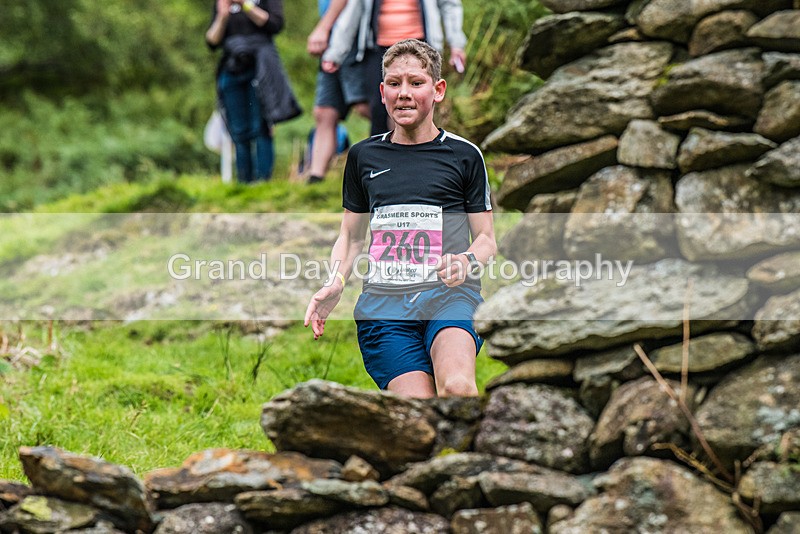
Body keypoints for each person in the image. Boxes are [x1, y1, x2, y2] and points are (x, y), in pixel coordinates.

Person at [304, 39, 496, 399]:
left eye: (415, 83)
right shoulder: (363, 157)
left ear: (437, 90)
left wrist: (465, 261)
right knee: (418, 418)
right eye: (394, 84)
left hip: (450, 296)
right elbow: (351, 236)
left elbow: (486, 239)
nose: (404, 94)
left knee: (457, 389)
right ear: (382, 91)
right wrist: (335, 282)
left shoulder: (464, 155)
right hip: (384, 307)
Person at [321, 0, 467, 137]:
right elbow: (352, 12)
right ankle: (381, 157)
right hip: (378, 49)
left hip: (420, 47)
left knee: (419, 108)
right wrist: (335, 53)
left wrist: (457, 44)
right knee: (378, 110)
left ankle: (417, 155)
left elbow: (449, 4)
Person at [205, 0, 301, 183]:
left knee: (261, 126)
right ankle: (244, 183)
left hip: (260, 66)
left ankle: (263, 181)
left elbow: (275, 24)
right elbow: (211, 42)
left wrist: (245, 5)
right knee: (238, 130)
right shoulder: (223, 3)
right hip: (231, 66)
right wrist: (223, 16)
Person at [305, 0, 371, 185]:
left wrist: (323, 28)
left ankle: (397, 162)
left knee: (367, 107)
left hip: (355, 37)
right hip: (332, 40)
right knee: (325, 111)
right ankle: (315, 178)